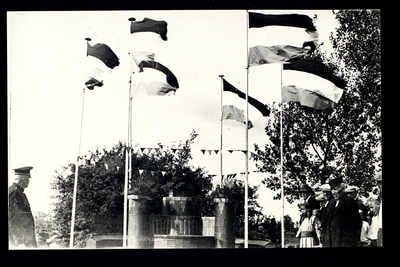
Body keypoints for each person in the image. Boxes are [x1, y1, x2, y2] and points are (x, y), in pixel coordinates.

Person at [324, 177, 362, 247]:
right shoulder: (331, 202)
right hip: (331, 242)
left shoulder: (349, 201)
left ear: (342, 189)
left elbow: (357, 223)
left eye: (335, 189)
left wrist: (352, 241)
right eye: (332, 189)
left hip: (344, 242)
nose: (333, 192)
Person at [8, 166, 37, 248]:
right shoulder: (14, 193)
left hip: (25, 240)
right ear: (24, 179)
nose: (29, 182)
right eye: (28, 179)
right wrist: (19, 242)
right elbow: (13, 218)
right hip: (21, 242)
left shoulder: (18, 192)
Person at [318, 183, 333, 247]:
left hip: (330, 234)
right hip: (325, 233)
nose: (326, 194)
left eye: (327, 192)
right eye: (324, 192)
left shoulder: (333, 202)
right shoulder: (326, 205)